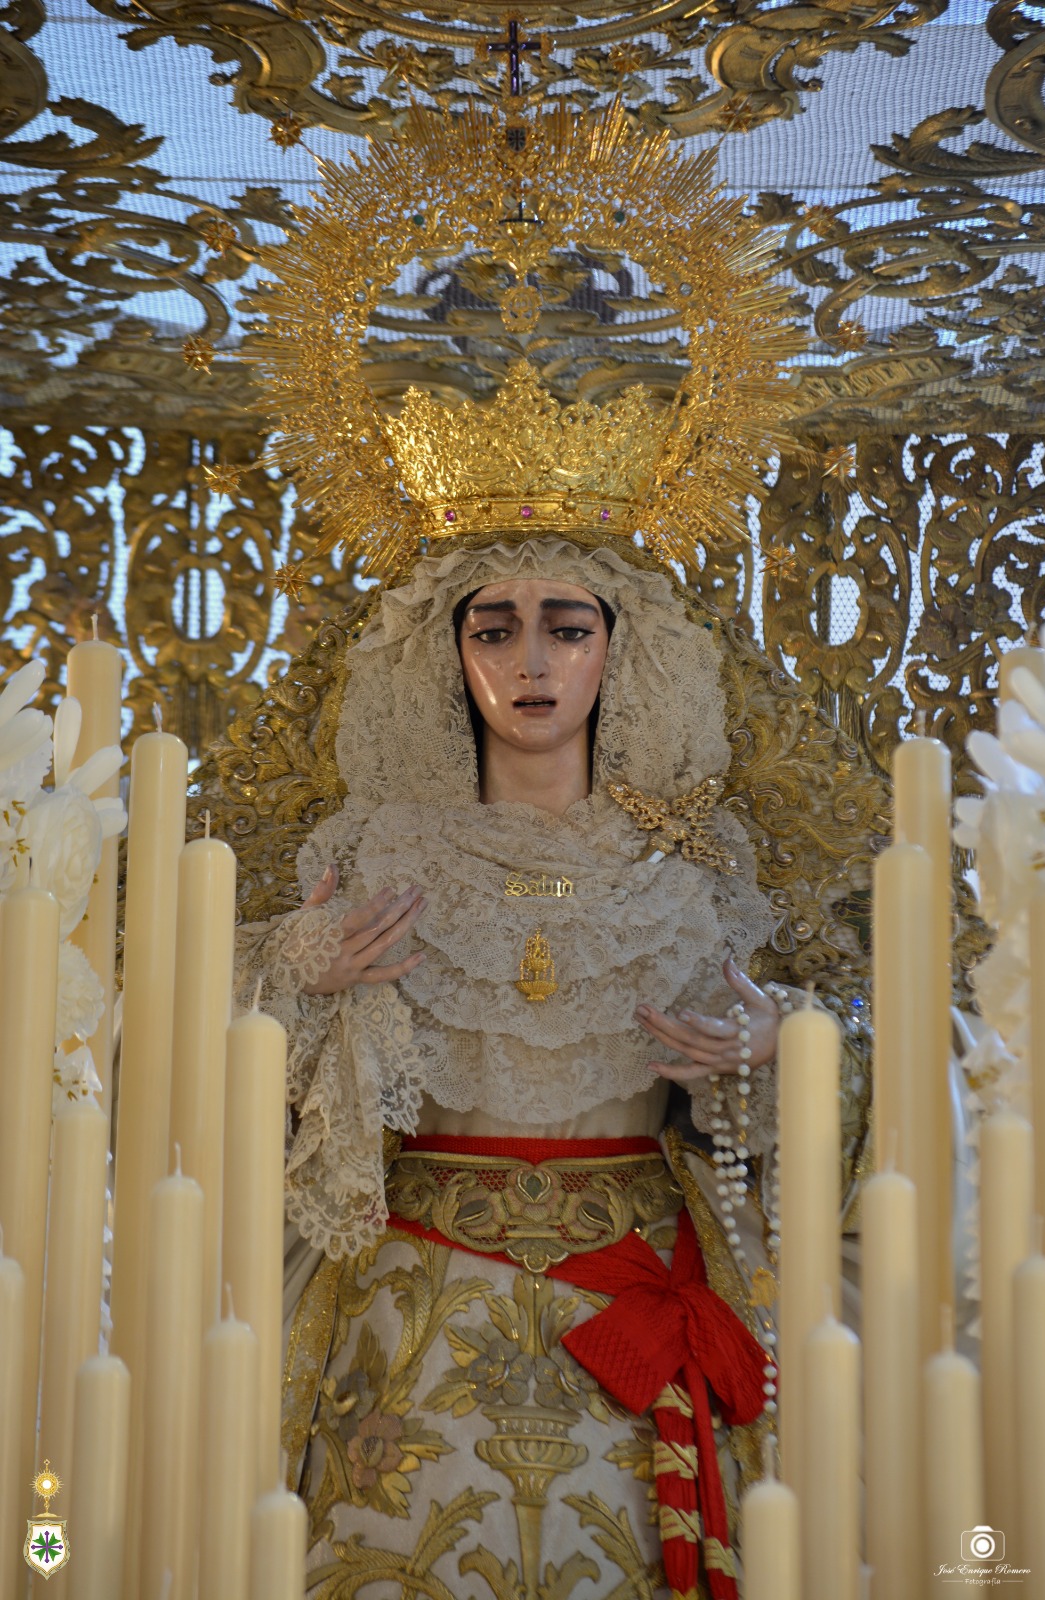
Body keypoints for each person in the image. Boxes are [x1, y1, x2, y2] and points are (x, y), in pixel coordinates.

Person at [222, 533, 877, 1600]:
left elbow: (807, 1059)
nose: (530, 662)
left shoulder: (690, 874)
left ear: (616, 655)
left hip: (633, 1276)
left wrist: (782, 1046)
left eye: (567, 630)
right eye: (495, 630)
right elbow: (192, 1061)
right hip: (411, 1291)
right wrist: (297, 975)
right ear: (451, 657)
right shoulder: (375, 854)